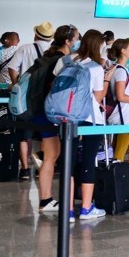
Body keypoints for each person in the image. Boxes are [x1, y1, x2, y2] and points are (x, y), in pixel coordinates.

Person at [54, 29, 109, 221]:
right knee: (88, 160)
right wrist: (107, 78)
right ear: (98, 46)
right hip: (90, 117)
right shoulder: (96, 68)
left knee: (67, 161)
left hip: (66, 116)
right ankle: (86, 208)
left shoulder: (65, 61)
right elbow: (98, 96)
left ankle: (68, 210)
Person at [31, 24, 78, 213]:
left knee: (51, 156)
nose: (77, 42)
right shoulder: (63, 61)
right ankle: (46, 199)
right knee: (51, 157)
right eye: (76, 38)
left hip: (40, 111)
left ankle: (46, 199)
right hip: (50, 112)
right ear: (68, 41)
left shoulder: (45, 58)